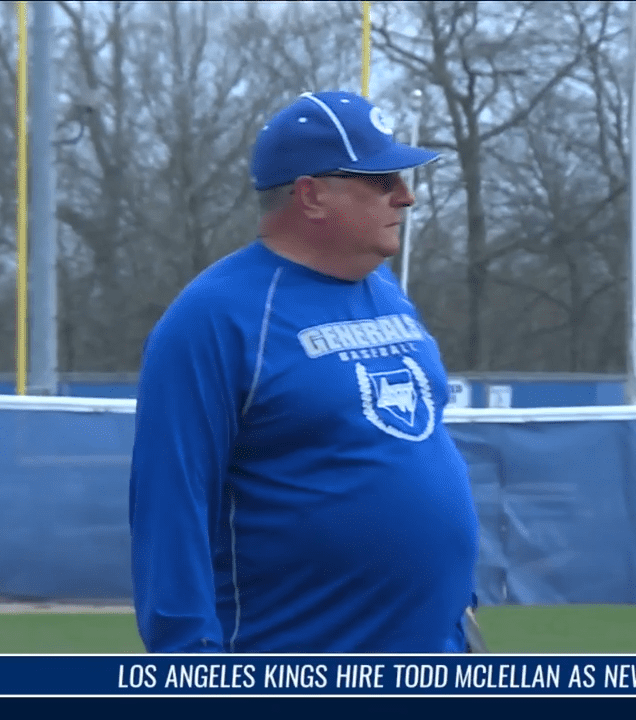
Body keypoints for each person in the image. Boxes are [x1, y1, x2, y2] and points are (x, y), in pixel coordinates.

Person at [128, 90, 481, 653]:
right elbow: (171, 506)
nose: (406, 196)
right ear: (312, 195)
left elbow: (416, 451)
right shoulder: (215, 317)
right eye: (382, 181)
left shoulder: (385, 292)